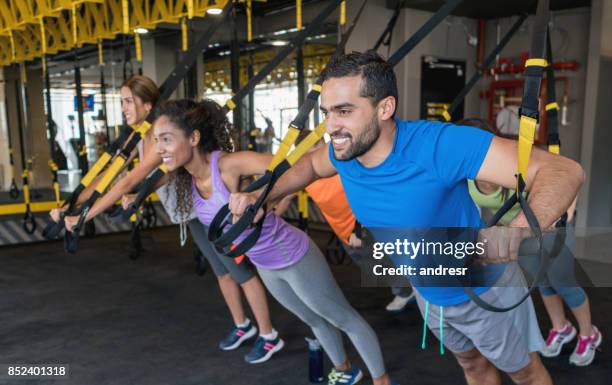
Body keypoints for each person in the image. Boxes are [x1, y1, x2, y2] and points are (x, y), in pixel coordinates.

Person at [229, 51, 585, 385]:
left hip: (482, 287)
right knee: (471, 364)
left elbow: (563, 171)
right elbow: (308, 165)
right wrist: (263, 196)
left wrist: (517, 232)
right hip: (430, 291)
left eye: (344, 111)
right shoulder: (345, 151)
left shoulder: (438, 145)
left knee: (525, 374)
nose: (331, 126)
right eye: (326, 112)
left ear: (385, 107)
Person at [151, 98, 397, 385]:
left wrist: (264, 199)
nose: (159, 149)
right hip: (265, 264)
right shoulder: (185, 180)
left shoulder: (229, 165)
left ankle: (383, 381)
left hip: (293, 255)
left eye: (166, 140)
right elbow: (137, 179)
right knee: (313, 321)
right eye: (156, 141)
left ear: (193, 138)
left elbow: (289, 168)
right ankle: (345, 371)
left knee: (343, 318)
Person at [63, 75, 281, 364]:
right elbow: (123, 176)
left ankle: (269, 336)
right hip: (195, 215)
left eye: (129, 101)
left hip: (214, 213)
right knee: (223, 273)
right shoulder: (140, 138)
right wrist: (74, 204)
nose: (124, 108)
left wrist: (85, 216)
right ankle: (243, 325)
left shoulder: (160, 134)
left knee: (242, 274)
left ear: (147, 104)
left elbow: (128, 180)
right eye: (122, 102)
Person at [461, 118, 601, 367]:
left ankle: (589, 334)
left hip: (552, 228)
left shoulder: (517, 163)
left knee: (564, 284)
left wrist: (566, 214)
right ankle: (561, 328)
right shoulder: (466, 175)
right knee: (542, 282)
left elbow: (568, 172)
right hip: (521, 234)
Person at [274, 133, 416, 313]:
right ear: (302, 153)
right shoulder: (307, 173)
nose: (319, 151)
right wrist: (267, 219)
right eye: (312, 149)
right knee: (373, 266)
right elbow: (286, 197)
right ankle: (406, 288)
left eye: (319, 145)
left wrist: (359, 227)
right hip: (343, 231)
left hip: (364, 224)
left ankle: (411, 291)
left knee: (389, 259)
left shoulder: (341, 164)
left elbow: (366, 192)